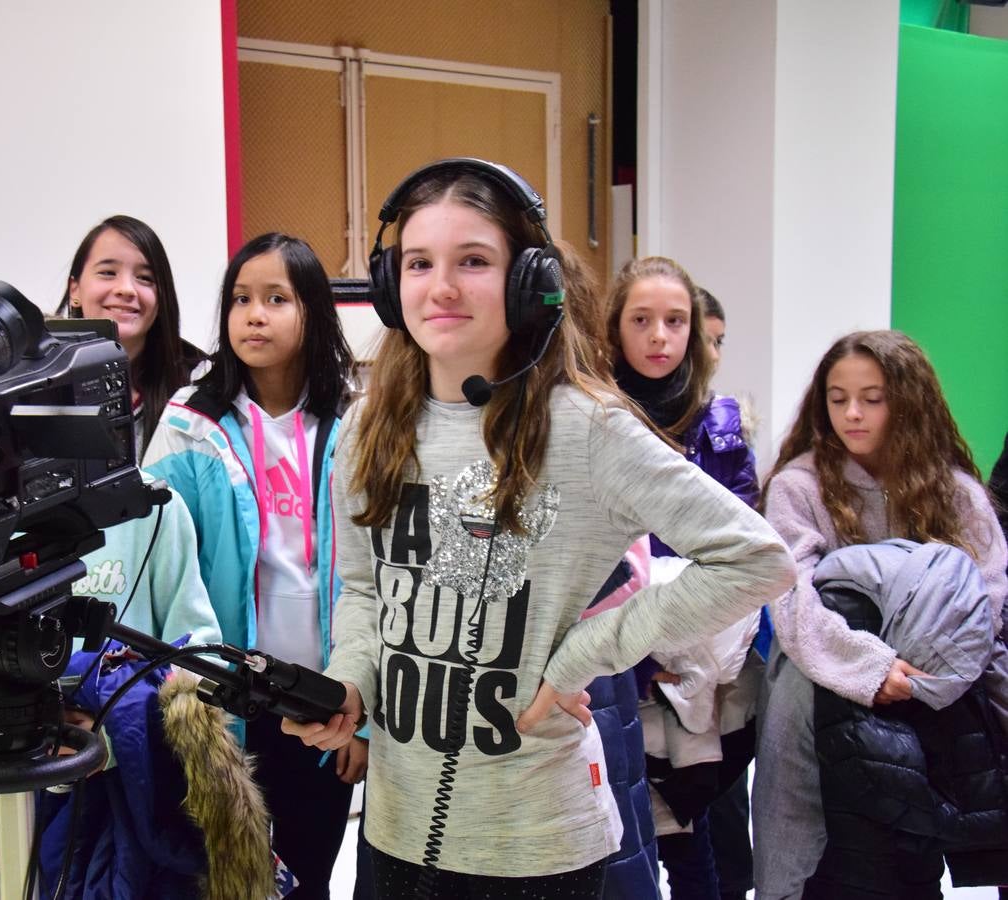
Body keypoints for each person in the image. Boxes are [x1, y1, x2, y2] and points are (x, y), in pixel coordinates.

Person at [282, 158, 794, 900]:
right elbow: (365, 586)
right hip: (392, 837)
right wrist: (352, 682)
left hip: (537, 851)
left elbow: (757, 559)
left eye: (474, 262)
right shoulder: (368, 428)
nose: (443, 286)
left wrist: (588, 651)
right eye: (420, 262)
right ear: (392, 284)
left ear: (530, 282)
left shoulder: (589, 429)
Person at [0, 214, 222, 897]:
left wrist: (111, 724)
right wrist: (16, 724)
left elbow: (197, 652)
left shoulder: (160, 511)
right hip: (0, 816)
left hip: (122, 814)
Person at [754, 330, 1008, 899]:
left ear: (908, 400)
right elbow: (791, 598)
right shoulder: (800, 486)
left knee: (906, 865)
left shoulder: (958, 493)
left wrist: (921, 673)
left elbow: (984, 601)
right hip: (817, 694)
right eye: (838, 397)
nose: (852, 413)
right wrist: (868, 668)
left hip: (937, 696)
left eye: (873, 397)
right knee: (817, 864)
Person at [144, 232, 360, 899]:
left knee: (310, 876)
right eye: (241, 299)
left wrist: (366, 716)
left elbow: (383, 577)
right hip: (228, 698)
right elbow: (156, 560)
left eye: (276, 298)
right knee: (228, 880)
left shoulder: (357, 421)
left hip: (327, 696)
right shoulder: (188, 422)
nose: (254, 315)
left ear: (314, 313)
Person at [606, 258, 762, 900]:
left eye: (675, 322)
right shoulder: (593, 417)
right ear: (614, 329)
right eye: (641, 320)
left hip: (705, 662)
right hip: (615, 658)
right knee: (622, 840)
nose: (659, 337)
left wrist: (701, 660)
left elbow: (745, 552)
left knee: (696, 842)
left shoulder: (721, 431)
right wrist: (640, 660)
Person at [55, 214, 205, 458]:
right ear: (75, 289)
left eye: (145, 278)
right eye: (107, 272)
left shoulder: (196, 383)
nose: (126, 289)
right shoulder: (37, 380)